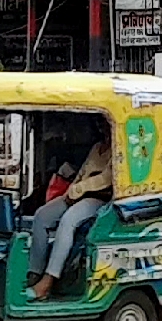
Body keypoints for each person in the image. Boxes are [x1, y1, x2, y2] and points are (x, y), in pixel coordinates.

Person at [26, 127, 113, 301]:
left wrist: (79, 189)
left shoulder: (119, 149)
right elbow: (82, 172)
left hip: (100, 199)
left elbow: (106, 178)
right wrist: (69, 193)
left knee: (68, 221)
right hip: (78, 194)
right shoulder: (97, 148)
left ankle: (48, 281)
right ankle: (34, 273)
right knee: (42, 216)